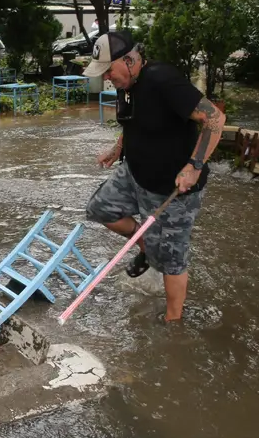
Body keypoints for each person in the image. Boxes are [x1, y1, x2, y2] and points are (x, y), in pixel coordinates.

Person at [82, 31, 226, 322]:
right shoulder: (127, 85)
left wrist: (194, 166)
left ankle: (173, 322)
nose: (107, 77)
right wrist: (117, 148)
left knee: (171, 260)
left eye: (109, 70)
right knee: (100, 208)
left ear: (130, 60)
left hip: (172, 187)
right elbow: (133, 121)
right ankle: (146, 246)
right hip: (134, 174)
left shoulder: (162, 79)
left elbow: (214, 118)